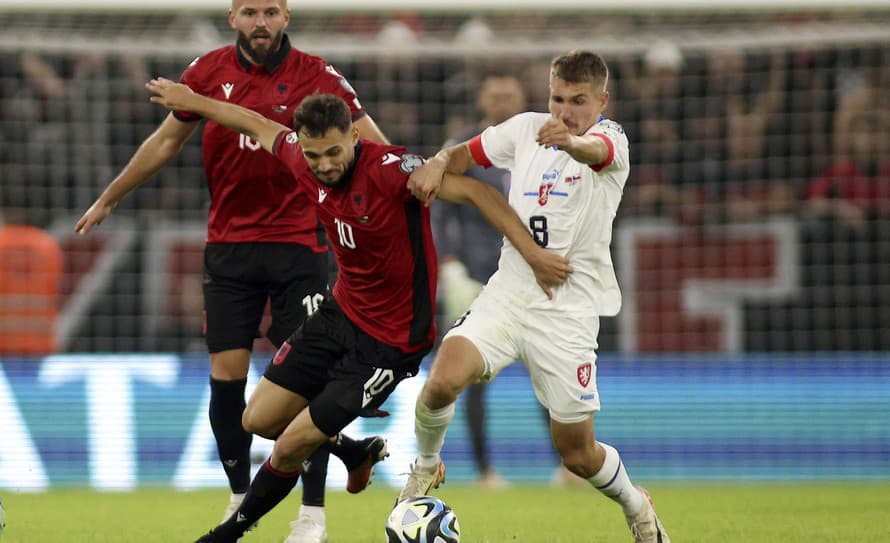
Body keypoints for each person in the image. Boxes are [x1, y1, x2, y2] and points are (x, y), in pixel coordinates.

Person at [145, 81, 572, 543]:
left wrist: (533, 255)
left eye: (333, 152)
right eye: (314, 156)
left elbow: (479, 194)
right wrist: (195, 104)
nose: (324, 165)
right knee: (258, 421)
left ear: (354, 136)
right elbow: (254, 122)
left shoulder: (393, 171)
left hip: (391, 342)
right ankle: (354, 453)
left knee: (289, 446)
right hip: (340, 314)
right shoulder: (298, 154)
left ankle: (226, 535)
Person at [74, 2, 390, 541]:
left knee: (303, 380)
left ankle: (311, 517)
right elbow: (166, 141)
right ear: (232, 18)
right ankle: (242, 496)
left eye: (270, 10)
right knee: (227, 379)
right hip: (229, 248)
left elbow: (375, 146)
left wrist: (398, 195)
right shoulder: (206, 72)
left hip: (300, 246)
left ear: (286, 16)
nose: (260, 21)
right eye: (250, 11)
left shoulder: (319, 76)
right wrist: (111, 196)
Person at [401, 50, 671, 543]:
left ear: (601, 100)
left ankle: (636, 504)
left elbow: (595, 153)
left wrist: (571, 140)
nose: (564, 110)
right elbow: (465, 154)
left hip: (568, 312)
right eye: (557, 98)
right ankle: (424, 467)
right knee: (442, 379)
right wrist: (440, 161)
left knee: (577, 453)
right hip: (508, 293)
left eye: (578, 101)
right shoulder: (525, 128)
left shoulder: (612, 140)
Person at [431, 73, 526, 490]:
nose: (503, 102)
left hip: (527, 274)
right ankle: (484, 470)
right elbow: (438, 208)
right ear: (482, 100)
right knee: (469, 377)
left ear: (522, 99)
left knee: (546, 367)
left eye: (509, 95)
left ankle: (568, 465)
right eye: (496, 95)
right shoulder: (462, 149)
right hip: (474, 277)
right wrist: (448, 264)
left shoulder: (541, 145)